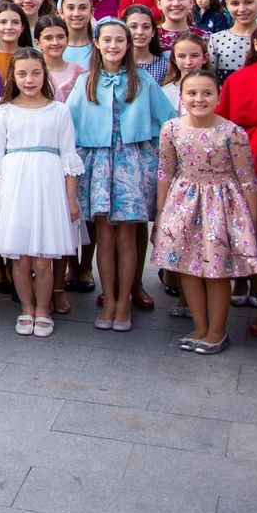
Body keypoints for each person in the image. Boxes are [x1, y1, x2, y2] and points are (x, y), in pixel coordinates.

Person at [69, 19, 176, 333]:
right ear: (97, 44)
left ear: (128, 45)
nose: (113, 46)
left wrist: (161, 161)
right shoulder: (85, 82)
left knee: (127, 235)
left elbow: (167, 122)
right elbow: (69, 125)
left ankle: (125, 301)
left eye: (120, 40)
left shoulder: (142, 81)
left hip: (132, 162)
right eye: (107, 40)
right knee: (105, 235)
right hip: (99, 162)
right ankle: (110, 297)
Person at [153, 69, 257, 354]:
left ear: (218, 95)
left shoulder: (232, 132)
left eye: (206, 93)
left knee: (216, 269)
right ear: (182, 96)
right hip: (183, 201)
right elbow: (165, 171)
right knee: (187, 265)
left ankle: (217, 330)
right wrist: (162, 211)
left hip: (221, 204)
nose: (199, 99)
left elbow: (247, 178)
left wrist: (252, 219)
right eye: (192, 93)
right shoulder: (172, 129)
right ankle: (200, 325)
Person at [0, 50, 84, 339]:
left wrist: (70, 198)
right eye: (22, 74)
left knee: (43, 258)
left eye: (35, 73)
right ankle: (26, 308)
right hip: (15, 184)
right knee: (21, 258)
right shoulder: (3, 112)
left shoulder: (59, 111)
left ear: (45, 75)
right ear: (13, 77)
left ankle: (43, 309)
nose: (29, 79)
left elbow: (69, 157)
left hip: (49, 183)